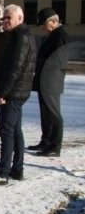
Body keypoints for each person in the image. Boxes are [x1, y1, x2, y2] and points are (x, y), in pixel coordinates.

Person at [0, 4, 36, 185]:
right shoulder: (18, 35)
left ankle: (3, 172)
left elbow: (15, 68)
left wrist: (2, 92)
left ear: (20, 18)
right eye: (3, 18)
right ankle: (17, 169)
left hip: (13, 92)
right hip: (17, 91)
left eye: (8, 18)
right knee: (15, 131)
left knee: (6, 132)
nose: (4, 21)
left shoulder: (21, 37)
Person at [29, 8, 69, 157]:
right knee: (45, 114)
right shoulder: (50, 35)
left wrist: (42, 63)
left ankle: (54, 146)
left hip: (52, 81)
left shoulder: (61, 35)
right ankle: (45, 140)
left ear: (53, 21)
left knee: (53, 114)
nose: (42, 28)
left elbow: (60, 59)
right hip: (44, 80)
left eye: (44, 24)